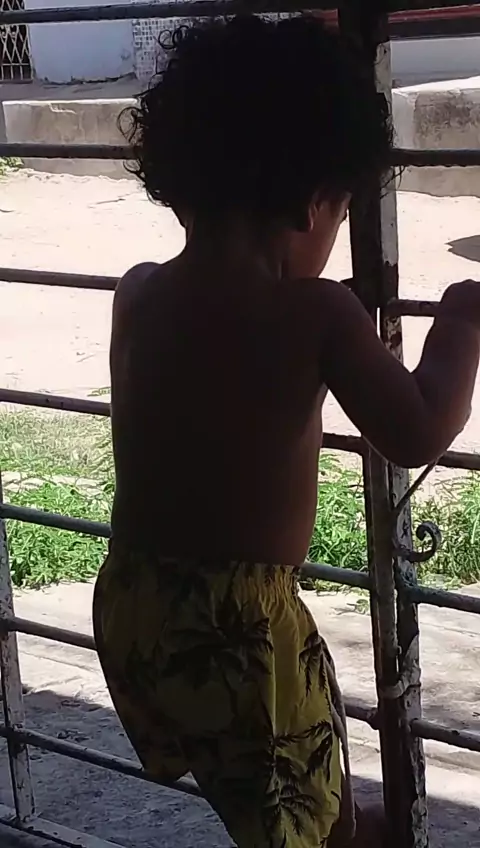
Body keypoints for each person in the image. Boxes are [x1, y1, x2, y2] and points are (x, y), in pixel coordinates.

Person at [93, 15, 480, 848]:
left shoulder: (139, 292)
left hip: (137, 606)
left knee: (279, 802)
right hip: (244, 636)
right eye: (343, 211)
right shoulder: (315, 313)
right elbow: (416, 429)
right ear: (313, 205)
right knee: (299, 817)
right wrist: (461, 319)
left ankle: (347, 827)